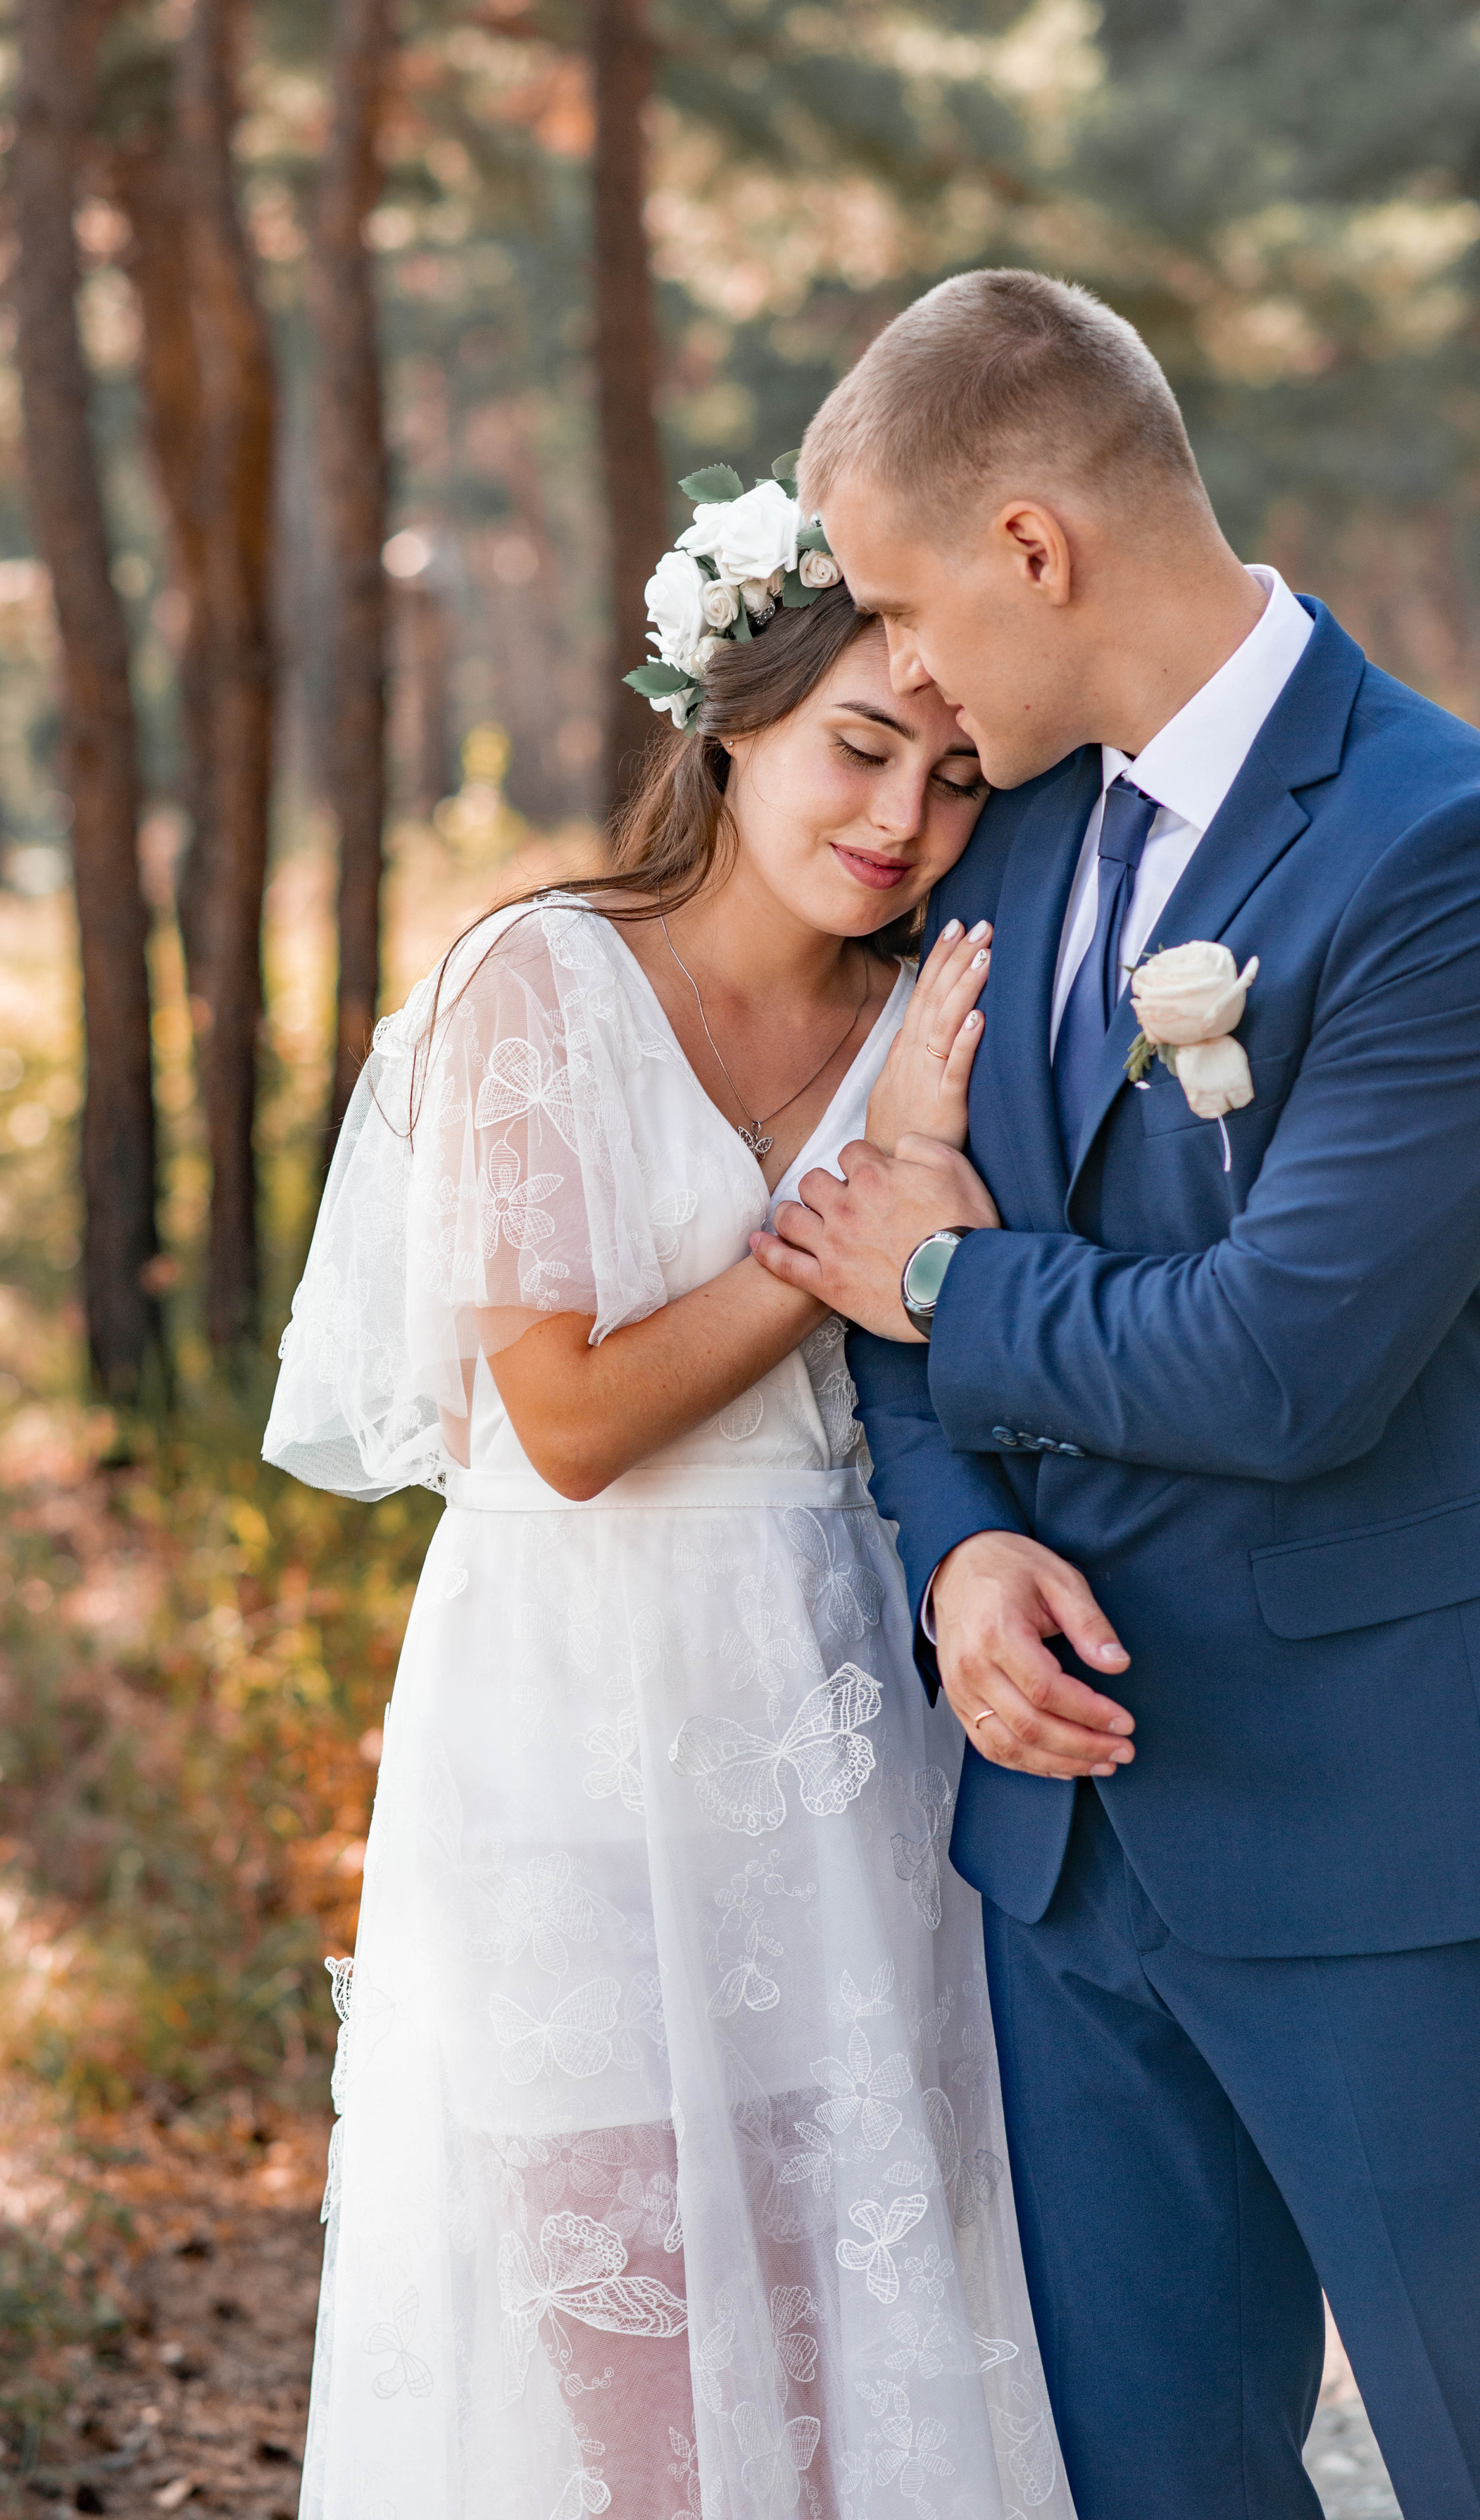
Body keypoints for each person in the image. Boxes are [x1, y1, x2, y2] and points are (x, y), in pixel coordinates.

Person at [752, 267, 1480, 2520]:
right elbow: (908, 1266)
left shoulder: (1441, 848)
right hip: (1067, 1859)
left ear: (1031, 549)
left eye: (905, 599)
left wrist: (946, 1280)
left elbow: (1285, 1359)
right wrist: (960, 1537)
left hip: (1375, 1837)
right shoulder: (1024, 836)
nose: (902, 669)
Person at [263, 468, 1076, 2520]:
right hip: (565, 1728)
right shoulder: (533, 986)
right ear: (729, 720)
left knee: (847, 2339)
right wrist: (851, 1211)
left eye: (956, 778)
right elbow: (566, 1416)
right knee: (624, 2378)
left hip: (833, 1726)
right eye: (860, 747)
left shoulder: (929, 1015)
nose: (898, 819)